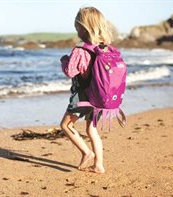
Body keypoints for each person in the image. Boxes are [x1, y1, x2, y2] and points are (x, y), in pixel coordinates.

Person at [60, 7, 113, 174]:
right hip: (100, 95)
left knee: (66, 125)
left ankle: (86, 152)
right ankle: (99, 165)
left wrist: (64, 60)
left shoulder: (80, 49)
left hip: (83, 96)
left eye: (77, 26)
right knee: (92, 130)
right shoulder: (105, 48)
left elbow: (70, 71)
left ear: (82, 27)